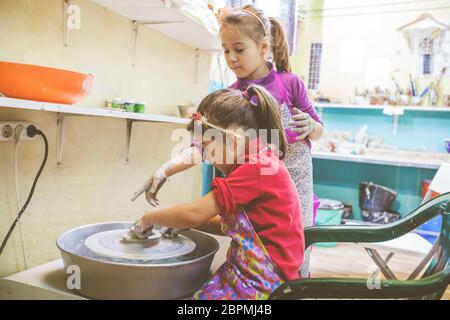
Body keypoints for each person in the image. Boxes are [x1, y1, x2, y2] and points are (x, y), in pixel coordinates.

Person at [132, 4, 323, 277]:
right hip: (258, 174)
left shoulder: (290, 83)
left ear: (263, 47)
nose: (231, 58)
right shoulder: (232, 95)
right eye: (225, 50)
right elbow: (203, 145)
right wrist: (166, 169)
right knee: (250, 228)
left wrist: (313, 126)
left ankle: (290, 289)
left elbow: (319, 130)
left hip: (294, 173)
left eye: (239, 49)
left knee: (293, 246)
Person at [132, 85, 304, 299]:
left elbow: (193, 212)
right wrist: (180, 222)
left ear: (232, 141)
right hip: (250, 272)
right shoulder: (256, 159)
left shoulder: (257, 168)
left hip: (269, 284)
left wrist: (148, 218)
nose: (206, 157)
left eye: (206, 147)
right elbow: (238, 227)